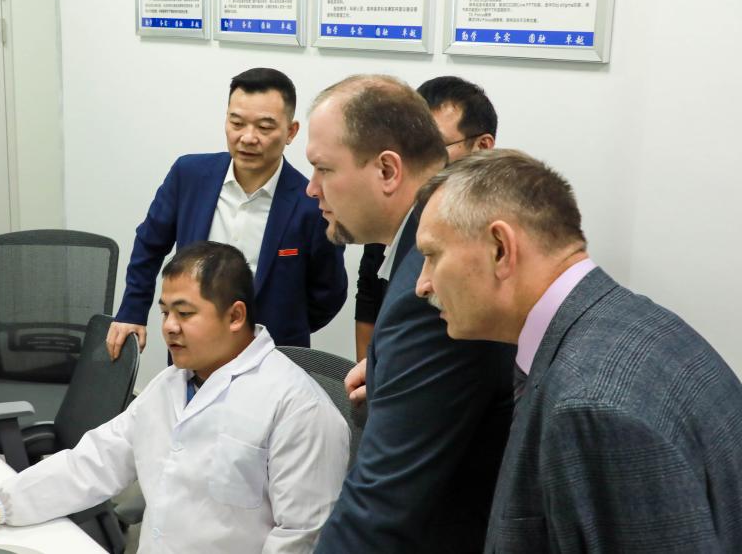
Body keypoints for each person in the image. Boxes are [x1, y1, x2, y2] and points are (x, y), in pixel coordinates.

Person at [414, 149, 742, 552]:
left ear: (500, 248)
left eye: (431, 256)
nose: (422, 285)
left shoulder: (591, 406)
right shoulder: (636, 325)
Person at [0, 242, 350, 553]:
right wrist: (1, 506)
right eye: (164, 311)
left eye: (185, 313)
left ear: (236, 316)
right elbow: (96, 460)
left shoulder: (300, 409)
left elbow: (302, 538)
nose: (169, 327)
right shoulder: (171, 384)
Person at [305, 75, 515, 553]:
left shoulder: (431, 287)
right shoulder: (422, 248)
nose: (312, 189)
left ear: (387, 170)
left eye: (323, 169)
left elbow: (377, 508)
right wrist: (389, 368)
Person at [106, 67, 347, 359]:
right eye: (237, 123)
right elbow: (149, 244)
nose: (248, 137)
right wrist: (133, 310)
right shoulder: (189, 176)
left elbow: (328, 293)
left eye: (265, 127)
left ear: (291, 132)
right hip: (191, 348)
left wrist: (285, 321)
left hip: (273, 356)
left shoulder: (312, 202)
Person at [355, 76, 497, 359]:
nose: (415, 160)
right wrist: (370, 371)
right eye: (410, 145)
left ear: (482, 146)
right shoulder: (395, 210)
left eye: (433, 145)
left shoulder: (496, 225)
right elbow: (369, 303)